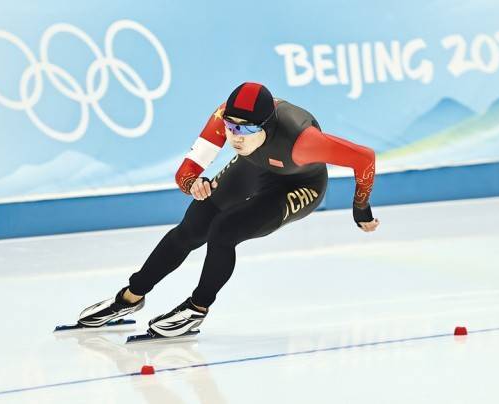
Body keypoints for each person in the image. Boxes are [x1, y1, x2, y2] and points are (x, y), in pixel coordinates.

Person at [77, 82, 379, 337]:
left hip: (299, 184)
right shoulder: (224, 115)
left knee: (224, 230)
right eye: (231, 127)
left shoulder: (303, 142)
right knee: (192, 228)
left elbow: (364, 158)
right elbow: (186, 172)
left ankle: (197, 308)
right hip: (252, 167)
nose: (235, 136)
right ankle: (130, 297)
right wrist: (194, 184)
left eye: (245, 129)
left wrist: (360, 208)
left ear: (267, 126)